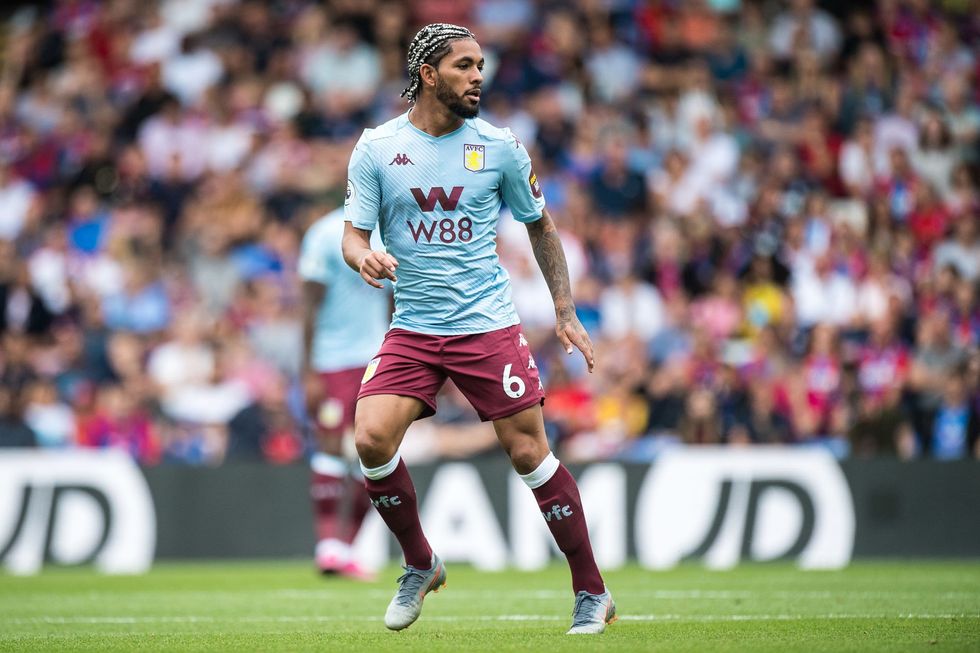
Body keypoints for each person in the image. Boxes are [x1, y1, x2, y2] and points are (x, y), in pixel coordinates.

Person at [342, 23, 614, 635]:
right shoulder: (377, 148)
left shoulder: (499, 146)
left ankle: (591, 591)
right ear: (428, 74)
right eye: (464, 66)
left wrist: (565, 311)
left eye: (481, 65)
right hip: (413, 327)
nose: (477, 77)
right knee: (371, 440)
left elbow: (540, 225)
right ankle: (421, 562)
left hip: (486, 326)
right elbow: (353, 234)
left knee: (527, 452)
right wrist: (362, 257)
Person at [299, 206, 390, 579]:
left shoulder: (391, 231)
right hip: (333, 360)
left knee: (377, 449)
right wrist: (308, 370)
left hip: (378, 356)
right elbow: (308, 305)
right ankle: (327, 547)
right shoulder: (323, 234)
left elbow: (395, 300)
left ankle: (345, 548)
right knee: (332, 446)